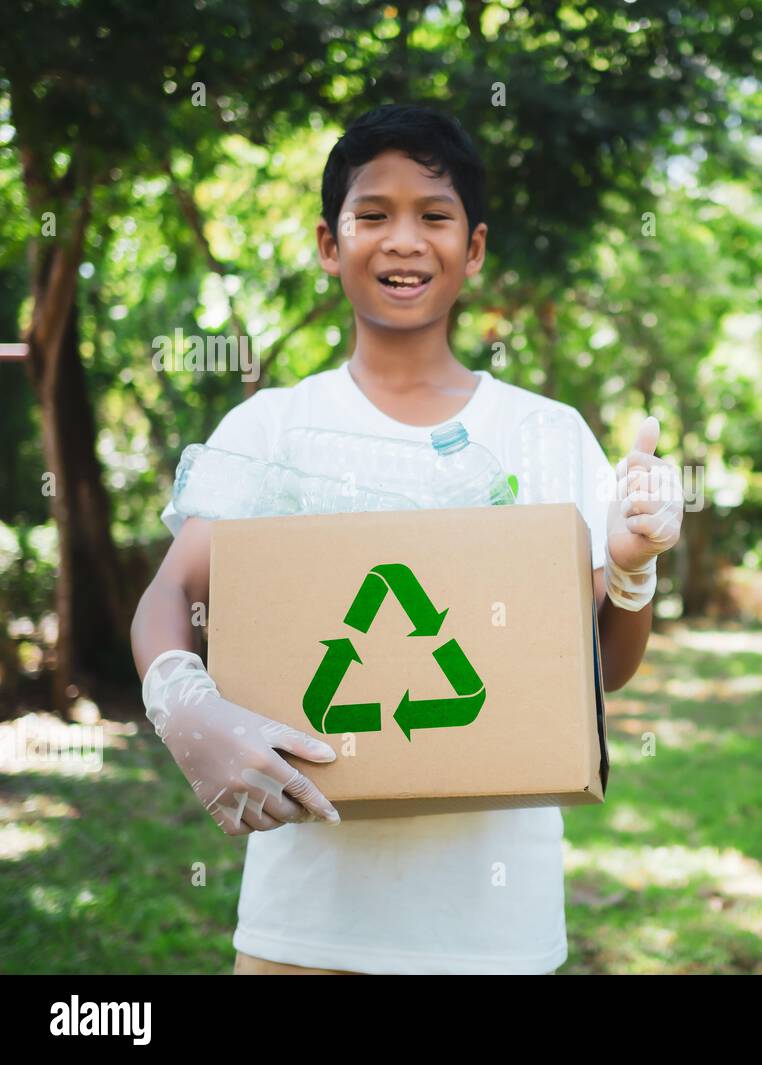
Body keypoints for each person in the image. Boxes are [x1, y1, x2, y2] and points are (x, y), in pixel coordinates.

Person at [130, 103, 684, 975]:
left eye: (433, 215)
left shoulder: (545, 434)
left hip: (495, 933)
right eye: (373, 214)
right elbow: (170, 592)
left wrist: (631, 568)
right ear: (327, 242)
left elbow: (593, 673)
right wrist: (184, 705)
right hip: (303, 925)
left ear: (474, 249)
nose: (403, 240)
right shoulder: (273, 429)